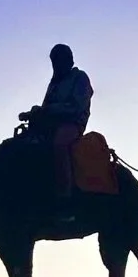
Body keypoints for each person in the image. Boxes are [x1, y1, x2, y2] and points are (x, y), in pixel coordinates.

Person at [22, 44, 94, 197]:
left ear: (69, 60)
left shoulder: (80, 77)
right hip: (49, 125)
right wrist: (32, 113)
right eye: (54, 61)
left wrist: (48, 110)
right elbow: (46, 107)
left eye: (59, 60)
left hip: (72, 124)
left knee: (59, 144)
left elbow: (76, 106)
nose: (56, 65)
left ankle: (65, 198)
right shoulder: (54, 84)